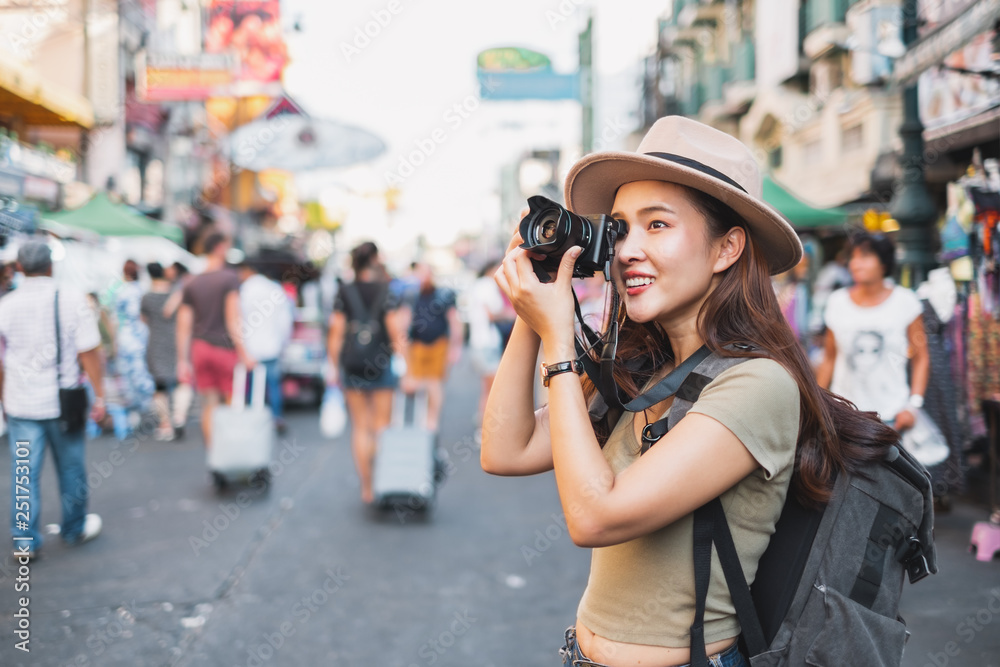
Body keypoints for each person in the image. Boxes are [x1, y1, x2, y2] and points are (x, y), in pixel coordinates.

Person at [480, 116, 899, 667]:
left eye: (657, 225)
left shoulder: (758, 382)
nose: (628, 248)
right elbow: (503, 450)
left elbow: (594, 517)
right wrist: (531, 311)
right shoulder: (640, 369)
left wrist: (559, 338)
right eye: (622, 228)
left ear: (727, 249)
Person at [0, 241, 106, 559]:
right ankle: (73, 529)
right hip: (64, 403)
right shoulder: (73, 300)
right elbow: (89, 352)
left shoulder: (6, 305)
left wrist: (3, 397)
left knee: (23, 473)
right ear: (51, 266)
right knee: (71, 468)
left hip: (21, 403)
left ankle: (24, 540)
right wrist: (100, 395)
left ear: (19, 267)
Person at [815, 231, 929, 433]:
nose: (856, 263)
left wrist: (913, 406)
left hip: (893, 418)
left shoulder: (905, 302)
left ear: (883, 263)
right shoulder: (837, 302)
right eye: (854, 256)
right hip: (846, 418)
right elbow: (829, 359)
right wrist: (817, 407)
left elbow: (921, 357)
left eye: (865, 256)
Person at [327, 242, 404, 504]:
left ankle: (367, 488)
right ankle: (384, 481)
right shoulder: (386, 290)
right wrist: (406, 362)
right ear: (374, 259)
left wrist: (332, 366)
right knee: (383, 426)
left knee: (361, 427)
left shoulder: (344, 291)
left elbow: (336, 333)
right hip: (381, 363)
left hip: (352, 364)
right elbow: (395, 332)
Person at [176, 233, 252, 448]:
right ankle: (231, 455)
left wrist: (182, 360)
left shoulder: (192, 282)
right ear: (220, 247)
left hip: (199, 348)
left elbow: (184, 325)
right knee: (232, 403)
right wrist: (244, 353)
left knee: (209, 405)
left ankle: (215, 458)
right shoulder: (229, 278)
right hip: (224, 349)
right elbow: (232, 319)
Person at [399, 262, 462, 432]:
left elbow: (454, 321)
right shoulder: (411, 295)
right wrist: (401, 346)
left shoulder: (443, 295)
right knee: (416, 382)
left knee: (434, 383)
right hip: (417, 345)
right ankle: (419, 420)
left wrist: (456, 347)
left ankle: (431, 421)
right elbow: (404, 321)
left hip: (438, 344)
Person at [237, 258, 294, 433]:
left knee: (251, 386)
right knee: (273, 385)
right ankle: (276, 418)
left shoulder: (243, 290)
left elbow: (237, 320)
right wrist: (283, 342)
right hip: (272, 345)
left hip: (250, 347)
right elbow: (285, 321)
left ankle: (252, 421)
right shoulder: (274, 289)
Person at [111, 259, 156, 429]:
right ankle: (149, 408)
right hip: (143, 336)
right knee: (144, 373)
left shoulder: (121, 292)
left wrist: (114, 342)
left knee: (128, 375)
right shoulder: (144, 290)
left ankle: (135, 411)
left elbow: (114, 319)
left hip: (127, 337)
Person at [140, 262, 180, 440]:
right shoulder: (175, 294)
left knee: (160, 386)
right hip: (176, 341)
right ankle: (180, 417)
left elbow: (143, 321)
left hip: (155, 342)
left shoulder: (147, 297)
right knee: (179, 382)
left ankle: (166, 423)